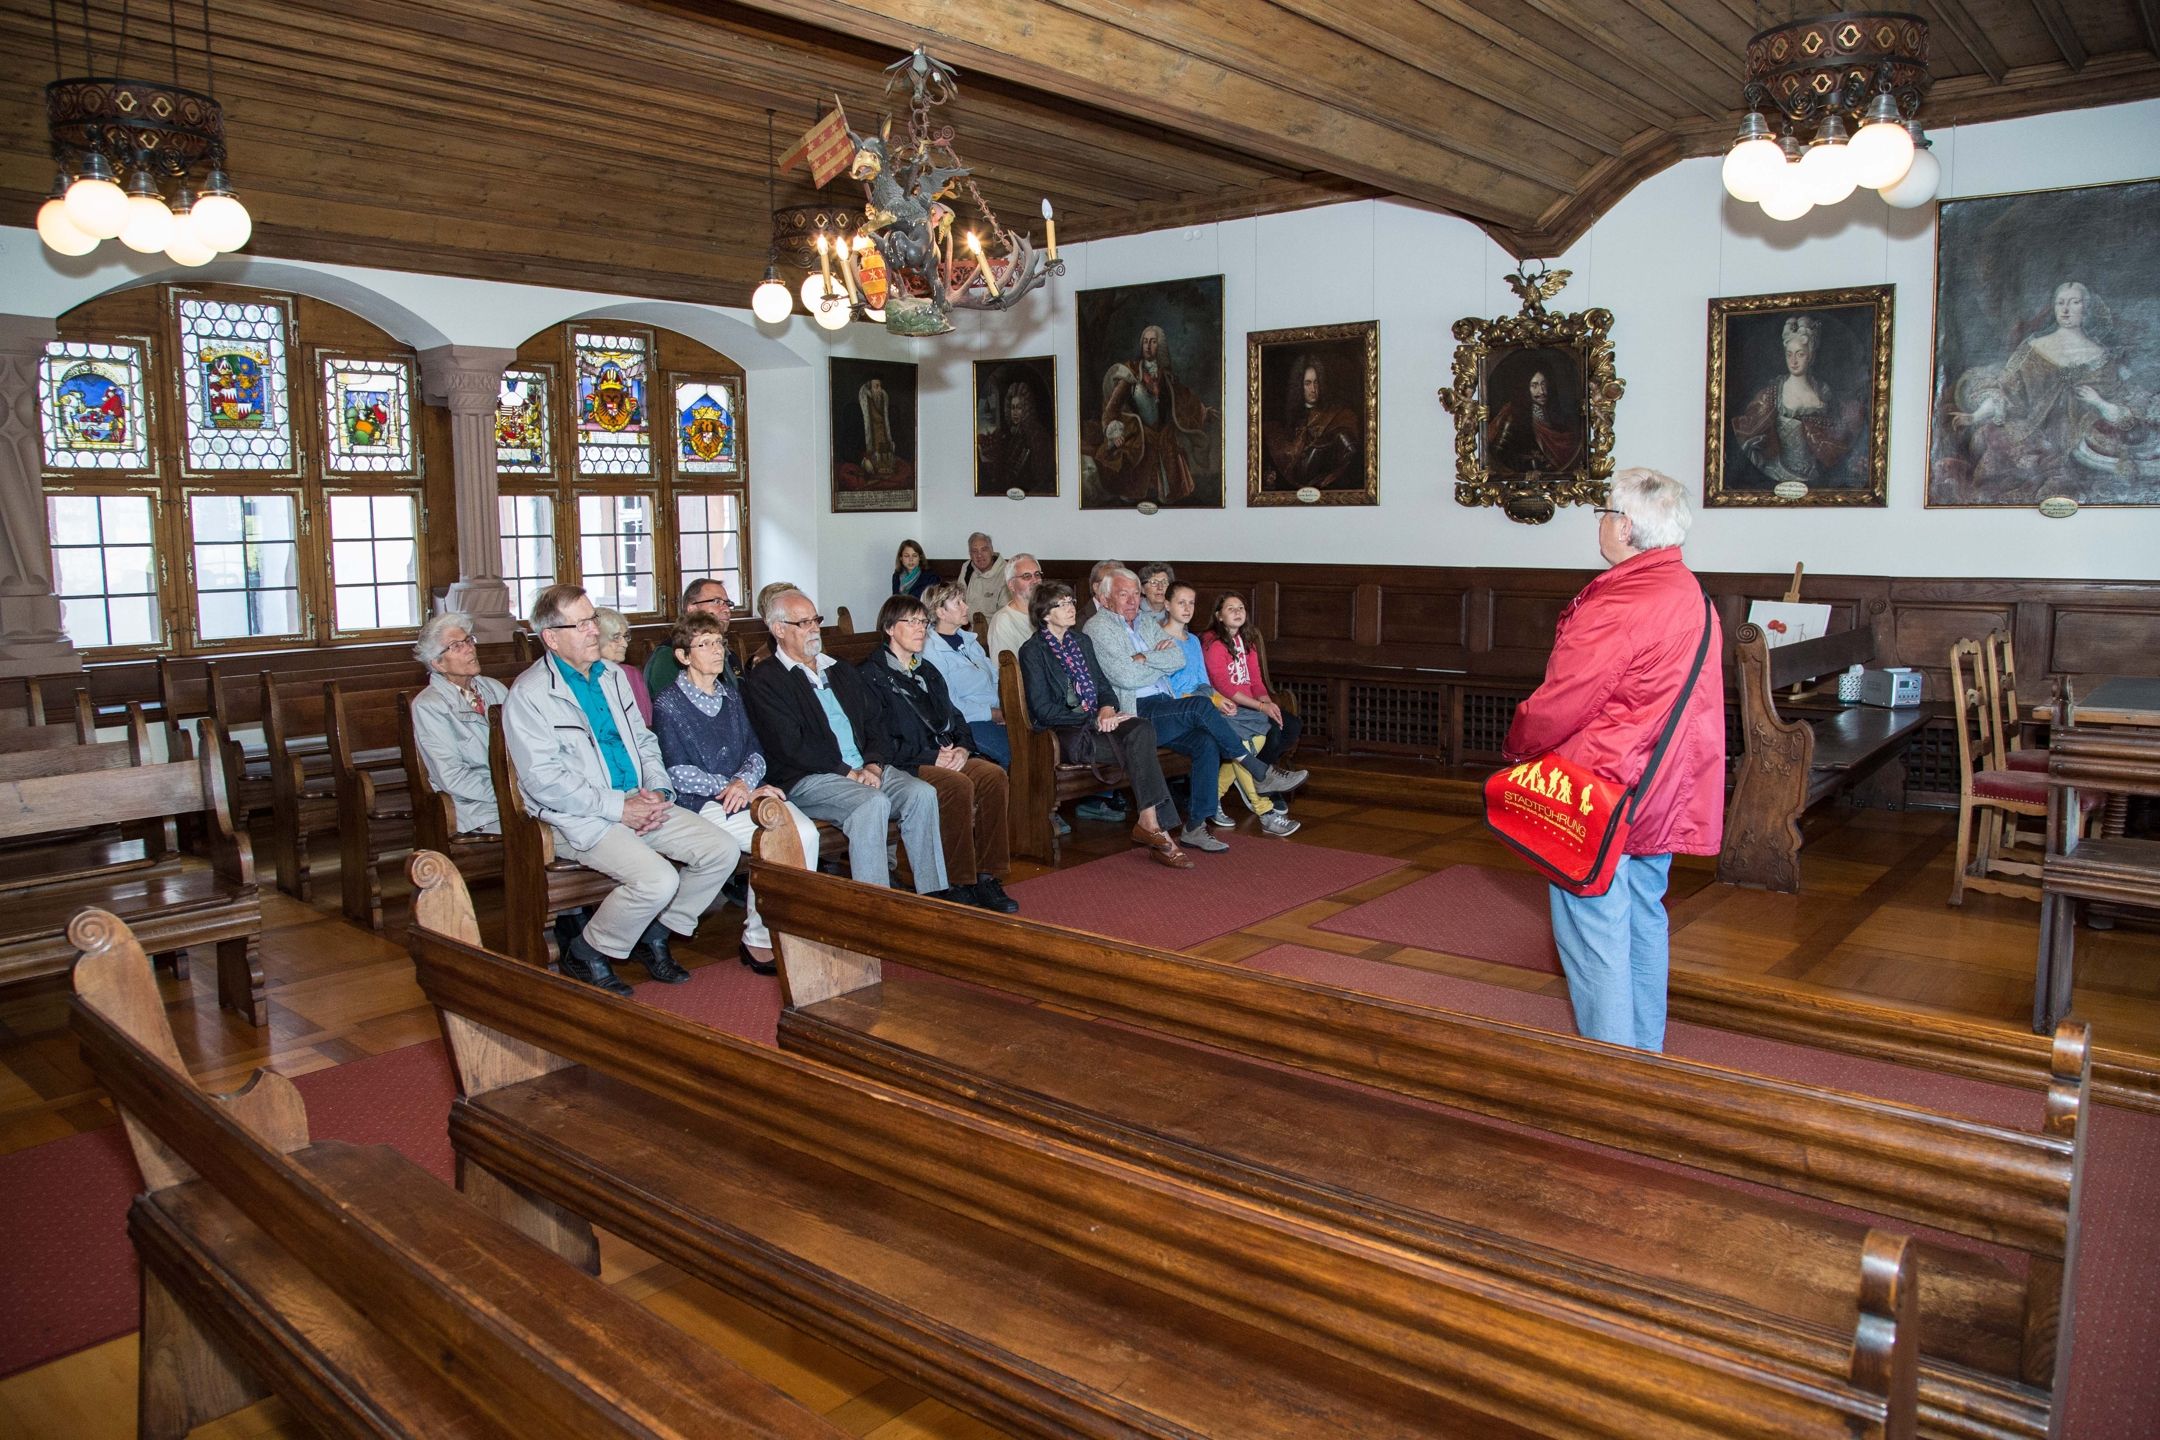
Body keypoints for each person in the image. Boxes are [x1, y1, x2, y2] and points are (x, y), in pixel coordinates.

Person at [1500, 468, 1724, 1053]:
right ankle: (1644, 1057)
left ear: (1624, 526)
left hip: (1604, 789)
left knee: (1594, 930)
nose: (1600, 521)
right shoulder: (1689, 591)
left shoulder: (1624, 600)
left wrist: (1518, 746)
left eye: (1603, 511)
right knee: (1644, 919)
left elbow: (1563, 701)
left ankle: (1612, 1074)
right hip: (1664, 786)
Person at [503, 584, 735, 996]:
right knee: (658, 880)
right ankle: (587, 951)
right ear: (551, 637)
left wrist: (659, 790)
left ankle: (656, 933)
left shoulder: (613, 677)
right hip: (580, 817)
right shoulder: (530, 695)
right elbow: (545, 782)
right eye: (582, 624)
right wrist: (618, 807)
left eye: (593, 619)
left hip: (641, 802)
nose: (594, 631)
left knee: (721, 851)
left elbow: (644, 741)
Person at [742, 587, 963, 903]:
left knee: (921, 794)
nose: (814, 628)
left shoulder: (840, 669)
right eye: (802, 623)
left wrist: (872, 763)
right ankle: (874, 907)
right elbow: (790, 744)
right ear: (779, 630)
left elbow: (874, 723)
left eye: (815, 620)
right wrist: (847, 771)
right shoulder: (766, 680)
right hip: (809, 777)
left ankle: (934, 896)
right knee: (870, 803)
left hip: (863, 768)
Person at [648, 612, 819, 976]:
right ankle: (759, 940)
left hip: (745, 791)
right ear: (683, 656)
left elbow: (755, 751)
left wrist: (744, 783)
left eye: (718, 643)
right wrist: (727, 787)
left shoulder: (731, 695)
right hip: (701, 804)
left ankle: (784, 929)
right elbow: (676, 772)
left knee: (806, 833)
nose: (715, 650)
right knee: (773, 838)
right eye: (704, 644)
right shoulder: (668, 704)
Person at [1086, 565, 1281, 853]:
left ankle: (1196, 827)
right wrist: (1156, 659)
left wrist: (1143, 658)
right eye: (1122, 594)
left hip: (1164, 704)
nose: (1131, 601)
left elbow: (1177, 658)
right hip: (1136, 710)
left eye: (1135, 594)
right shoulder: (1098, 627)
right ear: (1104, 599)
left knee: (1205, 743)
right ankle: (1255, 768)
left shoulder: (1144, 621)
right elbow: (1125, 677)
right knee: (1201, 706)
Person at [856, 595, 1017, 913]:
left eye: (923, 622)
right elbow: (878, 739)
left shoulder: (926, 670)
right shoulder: (870, 676)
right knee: (956, 785)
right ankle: (958, 880)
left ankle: (987, 876)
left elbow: (955, 718)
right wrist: (931, 758)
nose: (920, 629)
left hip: (945, 754)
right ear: (889, 628)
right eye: (911, 622)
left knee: (992, 775)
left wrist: (963, 748)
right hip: (908, 762)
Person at [1018, 582, 1190, 870]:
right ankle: (1159, 832)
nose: (1071, 607)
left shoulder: (1081, 642)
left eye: (1071, 601)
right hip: (1066, 733)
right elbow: (1044, 711)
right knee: (1139, 747)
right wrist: (1093, 717)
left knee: (1141, 729)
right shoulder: (1033, 651)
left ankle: (1149, 822)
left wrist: (1108, 707)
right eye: (1062, 604)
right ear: (1045, 614)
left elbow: (1102, 687)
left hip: (1096, 723)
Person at [1949, 280, 2156, 491]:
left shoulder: (2101, 357)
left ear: (2086, 308)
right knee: (1996, 457)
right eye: (2060, 303)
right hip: (2033, 434)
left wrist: (2099, 402)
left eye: (2074, 302)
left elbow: (2118, 402)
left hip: (2081, 440)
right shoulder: (2033, 348)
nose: (2066, 309)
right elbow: (2007, 391)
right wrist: (1975, 416)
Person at [1159, 583, 1297, 836]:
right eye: (1181, 602)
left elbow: (1205, 682)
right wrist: (1214, 700)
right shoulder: (1162, 638)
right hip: (1182, 708)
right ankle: (1265, 809)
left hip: (1206, 704)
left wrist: (1217, 699)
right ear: (1166, 605)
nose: (1188, 608)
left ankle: (1216, 796)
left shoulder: (1192, 640)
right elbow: (1170, 689)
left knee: (1263, 732)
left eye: (1191, 602)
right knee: (1244, 743)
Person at [1730, 315, 1865, 490]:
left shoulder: (1824, 393)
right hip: (1778, 471)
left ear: (1810, 356)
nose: (1793, 361)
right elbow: (1748, 432)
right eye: (1789, 354)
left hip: (1815, 475)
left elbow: (1837, 438)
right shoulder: (1772, 394)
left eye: (1800, 354)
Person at [407, 610, 509, 835]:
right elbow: (451, 776)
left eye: (469, 640)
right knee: (546, 830)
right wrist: (507, 792)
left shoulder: (495, 688)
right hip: (474, 808)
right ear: (438, 664)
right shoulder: (429, 705)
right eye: (456, 646)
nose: (470, 648)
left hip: (512, 796)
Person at [1093, 325, 1218, 505]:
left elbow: (1184, 399)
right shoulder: (1131, 374)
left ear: (1160, 346)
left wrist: (1203, 411)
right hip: (1140, 436)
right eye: (1145, 341)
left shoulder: (1166, 376)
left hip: (1165, 437)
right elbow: (1111, 408)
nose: (1148, 346)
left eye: (1153, 342)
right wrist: (1114, 431)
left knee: (1174, 494)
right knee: (1133, 493)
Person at [1202, 592, 1305, 776]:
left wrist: (1268, 704)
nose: (1237, 612)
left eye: (1241, 608)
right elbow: (1225, 687)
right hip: (1230, 708)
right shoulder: (1213, 643)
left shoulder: (1246, 641)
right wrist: (1260, 707)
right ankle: (1260, 779)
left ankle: (1254, 773)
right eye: (1230, 609)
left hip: (1252, 705)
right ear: (1219, 616)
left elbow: (1256, 681)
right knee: (1271, 733)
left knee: (1292, 725)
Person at [918, 581, 1008, 765]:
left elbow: (995, 678)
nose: (966, 606)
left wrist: (1008, 708)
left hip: (997, 713)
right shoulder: (930, 650)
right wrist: (993, 714)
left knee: (1037, 741)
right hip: (968, 722)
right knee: (1014, 754)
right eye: (958, 603)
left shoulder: (968, 639)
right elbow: (950, 704)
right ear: (940, 612)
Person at [1261, 354, 1363, 492]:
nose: (1313, 389)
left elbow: (1350, 455)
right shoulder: (1289, 418)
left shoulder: (1337, 416)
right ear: (1299, 386)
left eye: (1316, 382)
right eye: (1307, 383)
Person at [645, 577, 739, 697]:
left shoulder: (727, 653)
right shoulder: (668, 657)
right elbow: (673, 707)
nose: (726, 609)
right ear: (692, 609)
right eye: (716, 602)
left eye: (727, 603)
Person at [1486, 364, 1583, 475]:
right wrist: (1531, 464)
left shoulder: (1553, 412)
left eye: (1543, 384)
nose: (1541, 391)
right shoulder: (1513, 414)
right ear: (1525, 388)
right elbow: (1499, 454)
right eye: (1534, 385)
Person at [978, 380, 1056, 497]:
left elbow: (1039, 474)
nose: (1014, 412)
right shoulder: (1013, 434)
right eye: (1013, 407)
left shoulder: (1036, 435)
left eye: (1019, 407)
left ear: (1026, 409)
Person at [594, 607, 652, 724]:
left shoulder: (632, 674)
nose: (625, 644)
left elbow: (646, 725)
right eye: (616, 637)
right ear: (596, 639)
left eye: (625, 636)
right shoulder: (585, 678)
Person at [985, 552, 1042, 665]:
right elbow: (1007, 673)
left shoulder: (1048, 611)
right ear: (1011, 585)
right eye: (1027, 576)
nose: (1035, 580)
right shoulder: (1003, 621)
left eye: (1037, 574)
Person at [957, 531, 1008, 623]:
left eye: (984, 549)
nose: (979, 555)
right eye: (974, 551)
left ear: (992, 550)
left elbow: (1005, 615)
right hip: (967, 629)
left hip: (993, 631)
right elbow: (957, 601)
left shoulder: (1006, 573)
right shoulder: (967, 568)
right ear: (970, 554)